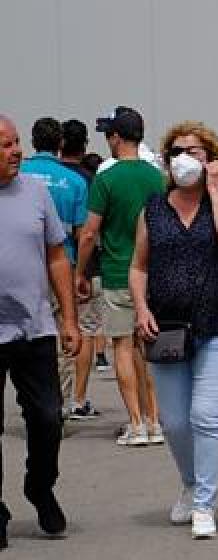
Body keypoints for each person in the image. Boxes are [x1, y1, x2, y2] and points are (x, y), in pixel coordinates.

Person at [130, 122, 218, 539]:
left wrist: (215, 189)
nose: (185, 158)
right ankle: (191, 482)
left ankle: (204, 504)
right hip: (167, 326)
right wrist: (141, 307)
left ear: (212, 158)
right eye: (177, 151)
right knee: (175, 421)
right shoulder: (154, 207)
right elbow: (139, 265)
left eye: (195, 151)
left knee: (206, 415)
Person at [0, 115, 81, 547]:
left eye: (16, 142)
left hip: (34, 328)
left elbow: (56, 256)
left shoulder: (35, 191)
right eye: (5, 145)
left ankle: (40, 486)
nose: (16, 151)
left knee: (48, 418)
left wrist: (68, 318)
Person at [75, 107, 166, 447]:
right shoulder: (157, 177)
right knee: (149, 347)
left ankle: (136, 423)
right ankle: (155, 419)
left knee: (122, 347)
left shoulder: (106, 177)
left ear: (116, 137)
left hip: (116, 272)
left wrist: (79, 272)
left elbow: (89, 233)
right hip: (152, 273)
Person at [20, 119, 89, 415]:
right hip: (61, 266)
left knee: (22, 336)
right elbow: (81, 231)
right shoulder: (73, 181)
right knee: (63, 336)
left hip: (22, 268)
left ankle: (29, 399)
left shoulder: (18, 175)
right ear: (60, 143)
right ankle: (56, 404)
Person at [59, 121, 107, 418]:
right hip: (84, 267)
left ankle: (54, 394)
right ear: (86, 144)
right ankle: (77, 397)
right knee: (86, 331)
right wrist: (84, 273)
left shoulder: (31, 178)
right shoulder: (89, 180)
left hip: (43, 267)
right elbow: (89, 232)